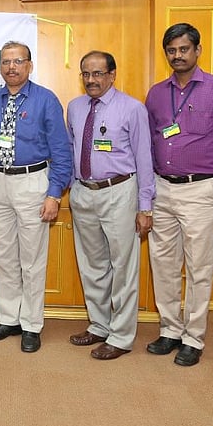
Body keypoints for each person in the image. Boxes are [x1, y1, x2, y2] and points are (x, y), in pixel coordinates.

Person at [144, 23, 213, 366]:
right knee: (164, 264)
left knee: (200, 266)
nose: (178, 56)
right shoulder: (157, 93)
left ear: (197, 50)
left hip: (201, 189)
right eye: (172, 50)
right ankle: (170, 329)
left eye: (184, 49)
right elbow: (148, 144)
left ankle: (193, 337)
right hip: (162, 188)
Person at [0, 41, 71, 353]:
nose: (11, 68)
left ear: (29, 65)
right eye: (6, 62)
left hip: (32, 183)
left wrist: (54, 194)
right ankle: (8, 319)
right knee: (2, 256)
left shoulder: (46, 100)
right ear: (0, 67)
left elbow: (62, 152)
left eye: (18, 62)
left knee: (32, 259)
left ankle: (31, 324)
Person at [66, 50, 154, 360]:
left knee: (123, 267)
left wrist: (145, 207)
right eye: (86, 74)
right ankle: (99, 325)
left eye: (98, 73)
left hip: (119, 192)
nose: (91, 80)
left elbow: (145, 159)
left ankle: (121, 335)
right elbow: (71, 149)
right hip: (83, 191)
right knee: (92, 266)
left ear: (112, 75)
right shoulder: (75, 108)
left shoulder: (133, 109)